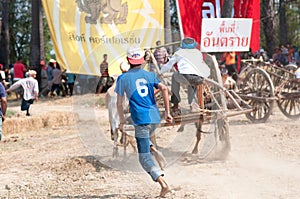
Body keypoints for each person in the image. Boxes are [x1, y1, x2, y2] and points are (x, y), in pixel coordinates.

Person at [115, 47, 172, 197]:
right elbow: (164, 89)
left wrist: (121, 122)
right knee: (144, 137)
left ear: (128, 61)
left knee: (144, 158)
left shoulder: (123, 78)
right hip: (154, 118)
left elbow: (119, 103)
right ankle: (154, 149)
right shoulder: (150, 75)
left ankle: (163, 184)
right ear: (142, 61)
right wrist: (167, 113)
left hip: (140, 119)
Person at [161, 38, 209, 116]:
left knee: (174, 76)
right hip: (198, 78)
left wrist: (160, 72)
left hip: (187, 76)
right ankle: (193, 104)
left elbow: (168, 66)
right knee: (192, 83)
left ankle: (176, 104)